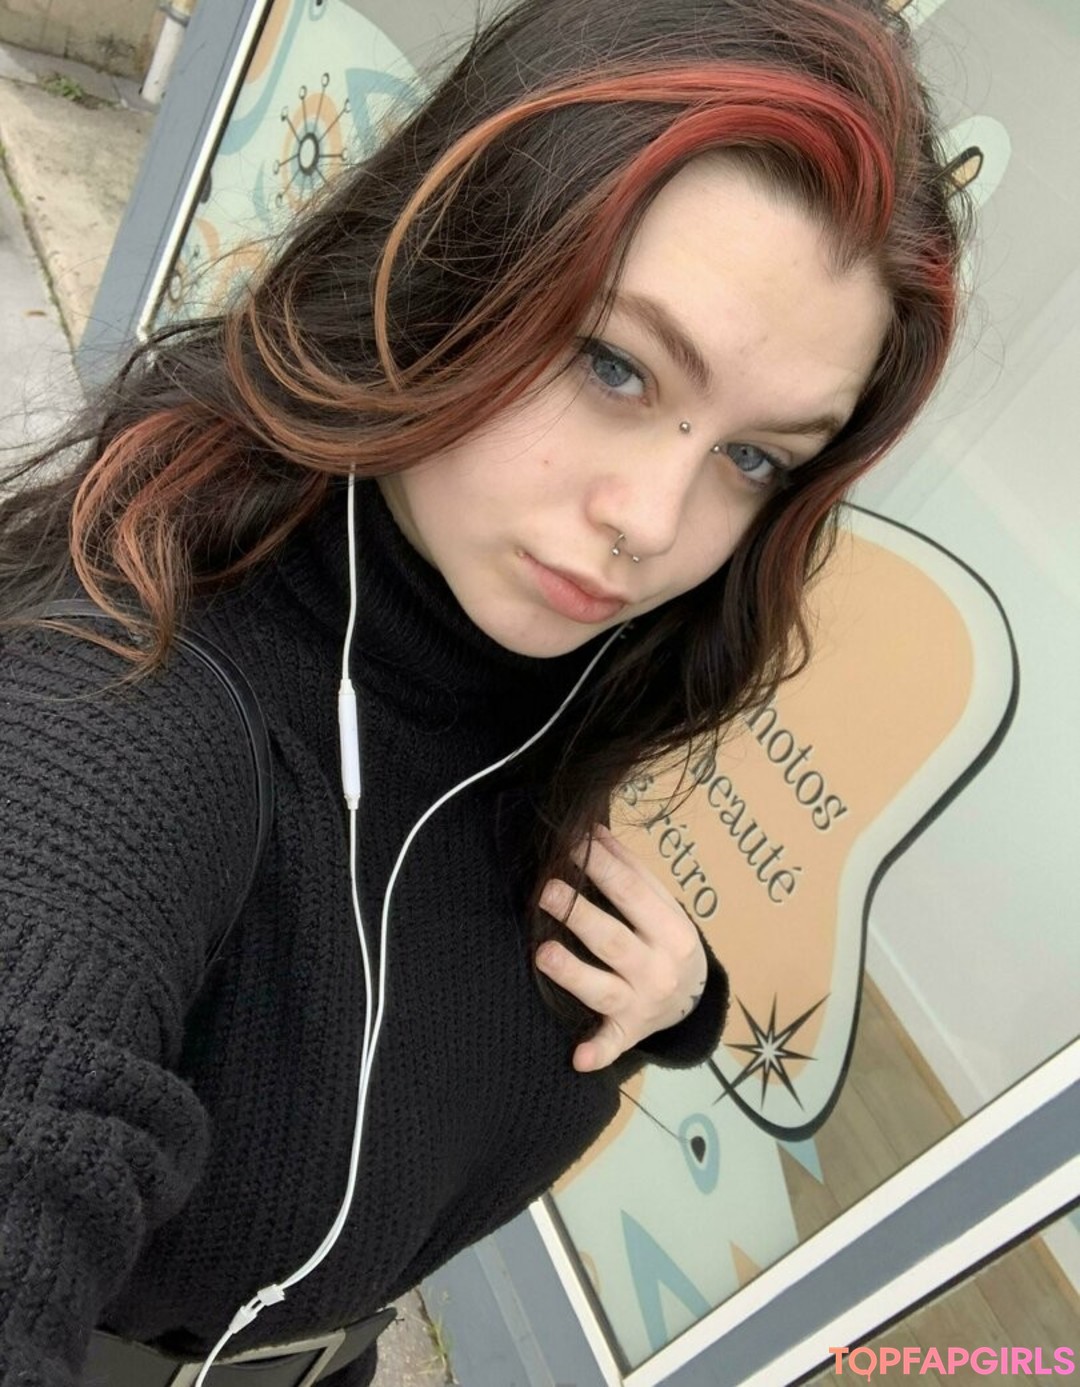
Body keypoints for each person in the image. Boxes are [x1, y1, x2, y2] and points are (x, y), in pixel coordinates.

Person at [0, 0, 968, 1382]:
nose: (651, 522)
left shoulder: (532, 682)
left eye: (754, 457)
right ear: (445, 263)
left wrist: (684, 998)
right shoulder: (124, 710)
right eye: (615, 364)